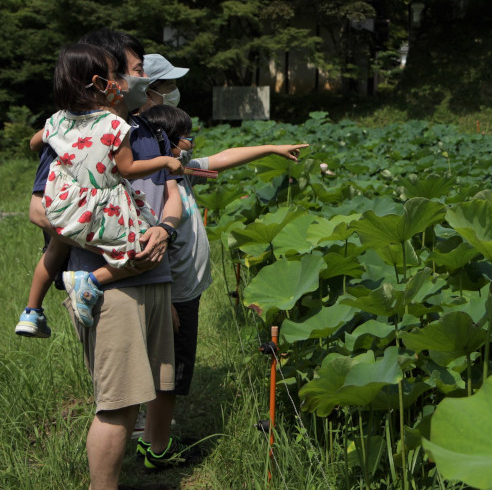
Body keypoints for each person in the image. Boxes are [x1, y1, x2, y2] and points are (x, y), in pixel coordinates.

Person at [27, 29, 181, 489]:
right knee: (116, 403)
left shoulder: (144, 130)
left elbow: (168, 194)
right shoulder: (71, 134)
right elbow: (41, 207)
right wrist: (112, 241)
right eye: (133, 71)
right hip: (107, 283)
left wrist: (162, 231)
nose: (141, 79)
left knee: (145, 392)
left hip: (152, 272)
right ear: (103, 79)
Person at [134, 105, 308, 465]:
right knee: (171, 377)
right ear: (166, 142)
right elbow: (150, 245)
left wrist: (271, 149)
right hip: (174, 296)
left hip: (184, 292)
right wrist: (162, 299)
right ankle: (159, 452)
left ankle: (151, 439)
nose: (193, 143)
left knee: (168, 372)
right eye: (187, 136)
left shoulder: (180, 174)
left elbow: (225, 158)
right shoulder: (154, 187)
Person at [15, 44, 183, 337]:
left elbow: (34, 143)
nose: (122, 83)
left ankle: (31, 311)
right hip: (102, 205)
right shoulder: (113, 125)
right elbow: (128, 168)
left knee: (55, 248)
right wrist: (166, 161)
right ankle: (89, 282)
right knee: (139, 253)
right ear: (100, 84)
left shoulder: (57, 120)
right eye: (116, 76)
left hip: (64, 203)